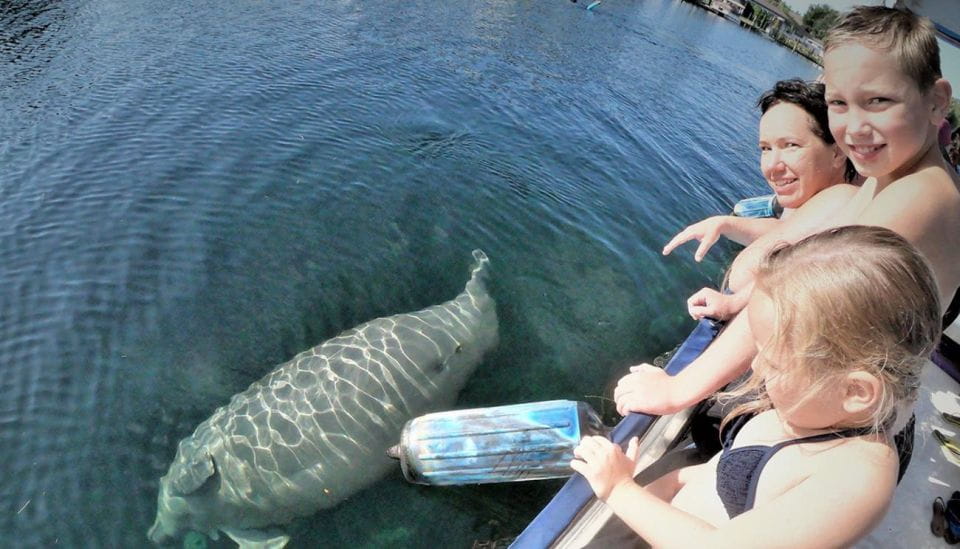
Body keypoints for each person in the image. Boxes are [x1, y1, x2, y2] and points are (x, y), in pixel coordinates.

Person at [614, 6, 960, 418]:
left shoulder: (916, 200)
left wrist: (677, 389)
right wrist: (732, 304)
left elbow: (789, 302)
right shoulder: (889, 175)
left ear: (937, 101)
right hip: (819, 402)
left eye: (878, 101)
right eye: (838, 103)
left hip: (835, 429)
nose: (854, 128)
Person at [572, 226, 942, 547]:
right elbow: (713, 473)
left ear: (855, 392)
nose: (757, 366)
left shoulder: (856, 478)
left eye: (775, 361)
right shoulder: (807, 412)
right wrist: (644, 496)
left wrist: (620, 490)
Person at [661, 78, 857, 321]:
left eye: (791, 145)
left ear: (838, 152)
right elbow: (790, 232)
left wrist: (733, 304)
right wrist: (725, 224)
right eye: (765, 149)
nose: (772, 166)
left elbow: (794, 273)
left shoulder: (844, 205)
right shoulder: (818, 204)